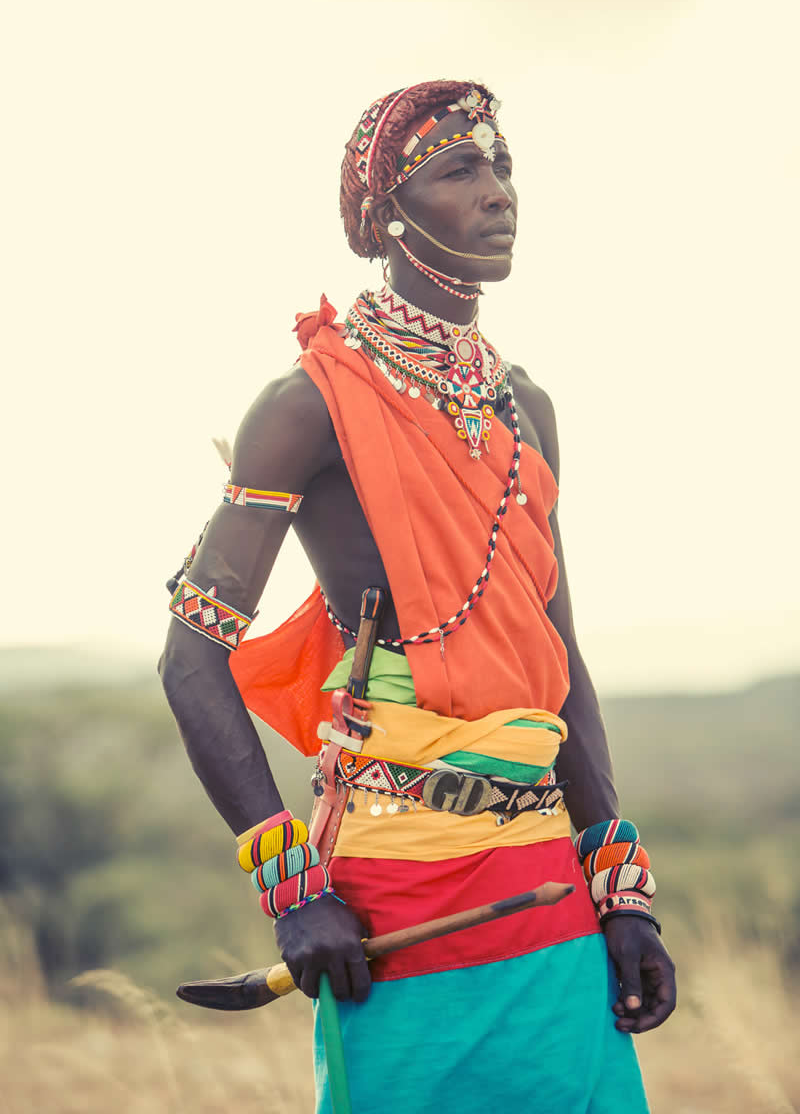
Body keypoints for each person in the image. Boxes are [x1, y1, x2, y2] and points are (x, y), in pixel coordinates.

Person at [159, 79, 676, 1113]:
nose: (498, 192)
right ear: (387, 218)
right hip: (391, 889)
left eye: (502, 167)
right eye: (459, 170)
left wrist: (620, 888)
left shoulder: (524, 406)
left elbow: (556, 662)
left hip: (543, 881)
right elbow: (189, 660)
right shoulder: (305, 405)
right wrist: (291, 885)